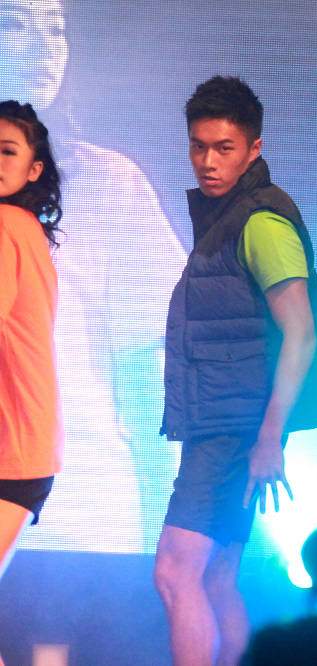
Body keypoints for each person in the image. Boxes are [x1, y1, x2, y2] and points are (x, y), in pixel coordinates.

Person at [153, 76, 317, 666]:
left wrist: (269, 437)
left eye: (223, 148)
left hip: (233, 431)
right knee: (213, 577)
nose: (208, 161)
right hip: (227, 423)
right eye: (198, 146)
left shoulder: (260, 221)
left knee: (176, 573)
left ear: (254, 149)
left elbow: (301, 334)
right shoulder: (230, 216)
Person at [2, 0, 187, 552]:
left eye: (53, 28)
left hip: (82, 496)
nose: (42, 45)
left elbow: (149, 362)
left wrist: (168, 505)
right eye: (17, 23)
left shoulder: (107, 181)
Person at [0, 101, 62, 577]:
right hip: (27, 446)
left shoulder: (6, 225)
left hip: (12, 449)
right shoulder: (28, 229)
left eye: (7, 151)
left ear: (34, 168)